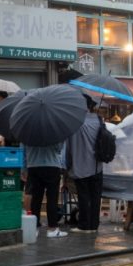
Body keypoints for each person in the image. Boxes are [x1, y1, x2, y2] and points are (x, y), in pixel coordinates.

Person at [65, 95, 103, 233]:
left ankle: (84, 225)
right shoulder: (99, 120)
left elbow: (68, 149)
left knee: (84, 196)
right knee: (95, 197)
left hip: (80, 166)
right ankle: (94, 225)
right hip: (97, 166)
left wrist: (67, 165)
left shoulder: (74, 122)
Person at [23, 141, 67, 238]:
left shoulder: (27, 130)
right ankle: (52, 228)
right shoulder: (53, 130)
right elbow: (59, 148)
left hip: (33, 166)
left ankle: (34, 228)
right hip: (52, 165)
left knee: (36, 198)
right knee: (52, 198)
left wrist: (23, 169)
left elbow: (23, 150)